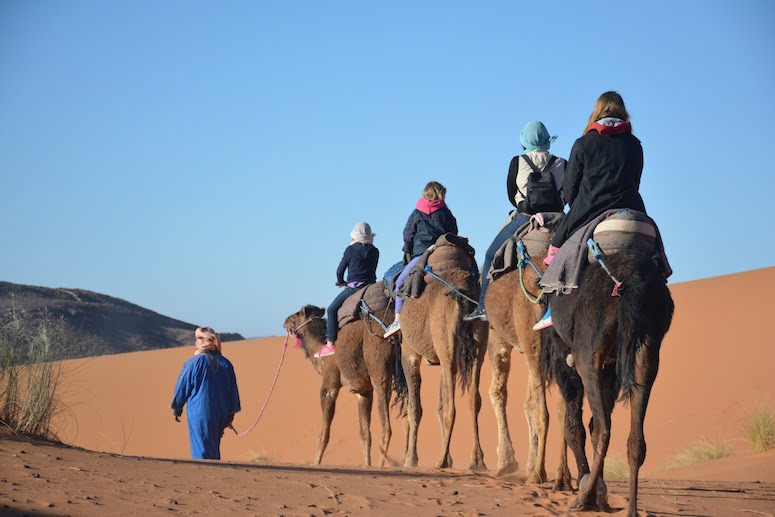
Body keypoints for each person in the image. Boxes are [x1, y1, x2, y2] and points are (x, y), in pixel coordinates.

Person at [534, 91, 646, 330]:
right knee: (652, 251)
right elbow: (636, 182)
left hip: (590, 208)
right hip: (631, 207)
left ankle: (552, 309)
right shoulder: (635, 145)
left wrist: (580, 207)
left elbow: (571, 188)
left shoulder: (584, 143)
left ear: (597, 112)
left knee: (557, 251)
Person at [463, 121, 567, 322]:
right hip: (557, 220)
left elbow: (511, 194)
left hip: (524, 219)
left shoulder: (517, 162)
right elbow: (569, 193)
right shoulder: (562, 162)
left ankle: (483, 307)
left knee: (491, 253)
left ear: (524, 143)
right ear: (548, 141)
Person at [383, 181, 458, 338]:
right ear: (440, 194)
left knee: (400, 282)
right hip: (441, 251)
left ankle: (397, 319)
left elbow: (407, 234)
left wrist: (407, 250)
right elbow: (454, 232)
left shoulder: (417, 213)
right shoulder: (445, 213)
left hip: (420, 256)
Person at [171, 327, 241, 460]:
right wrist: (230, 415)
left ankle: (204, 475)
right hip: (221, 412)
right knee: (213, 445)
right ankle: (214, 472)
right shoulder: (226, 364)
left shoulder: (194, 362)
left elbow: (183, 385)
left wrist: (177, 408)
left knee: (201, 446)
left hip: (201, 411)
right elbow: (233, 391)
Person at [315, 222, 380, 358]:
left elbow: (340, 271)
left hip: (354, 289)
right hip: (370, 287)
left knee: (331, 310)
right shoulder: (375, 251)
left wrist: (341, 282)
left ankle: (330, 343)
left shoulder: (350, 250)